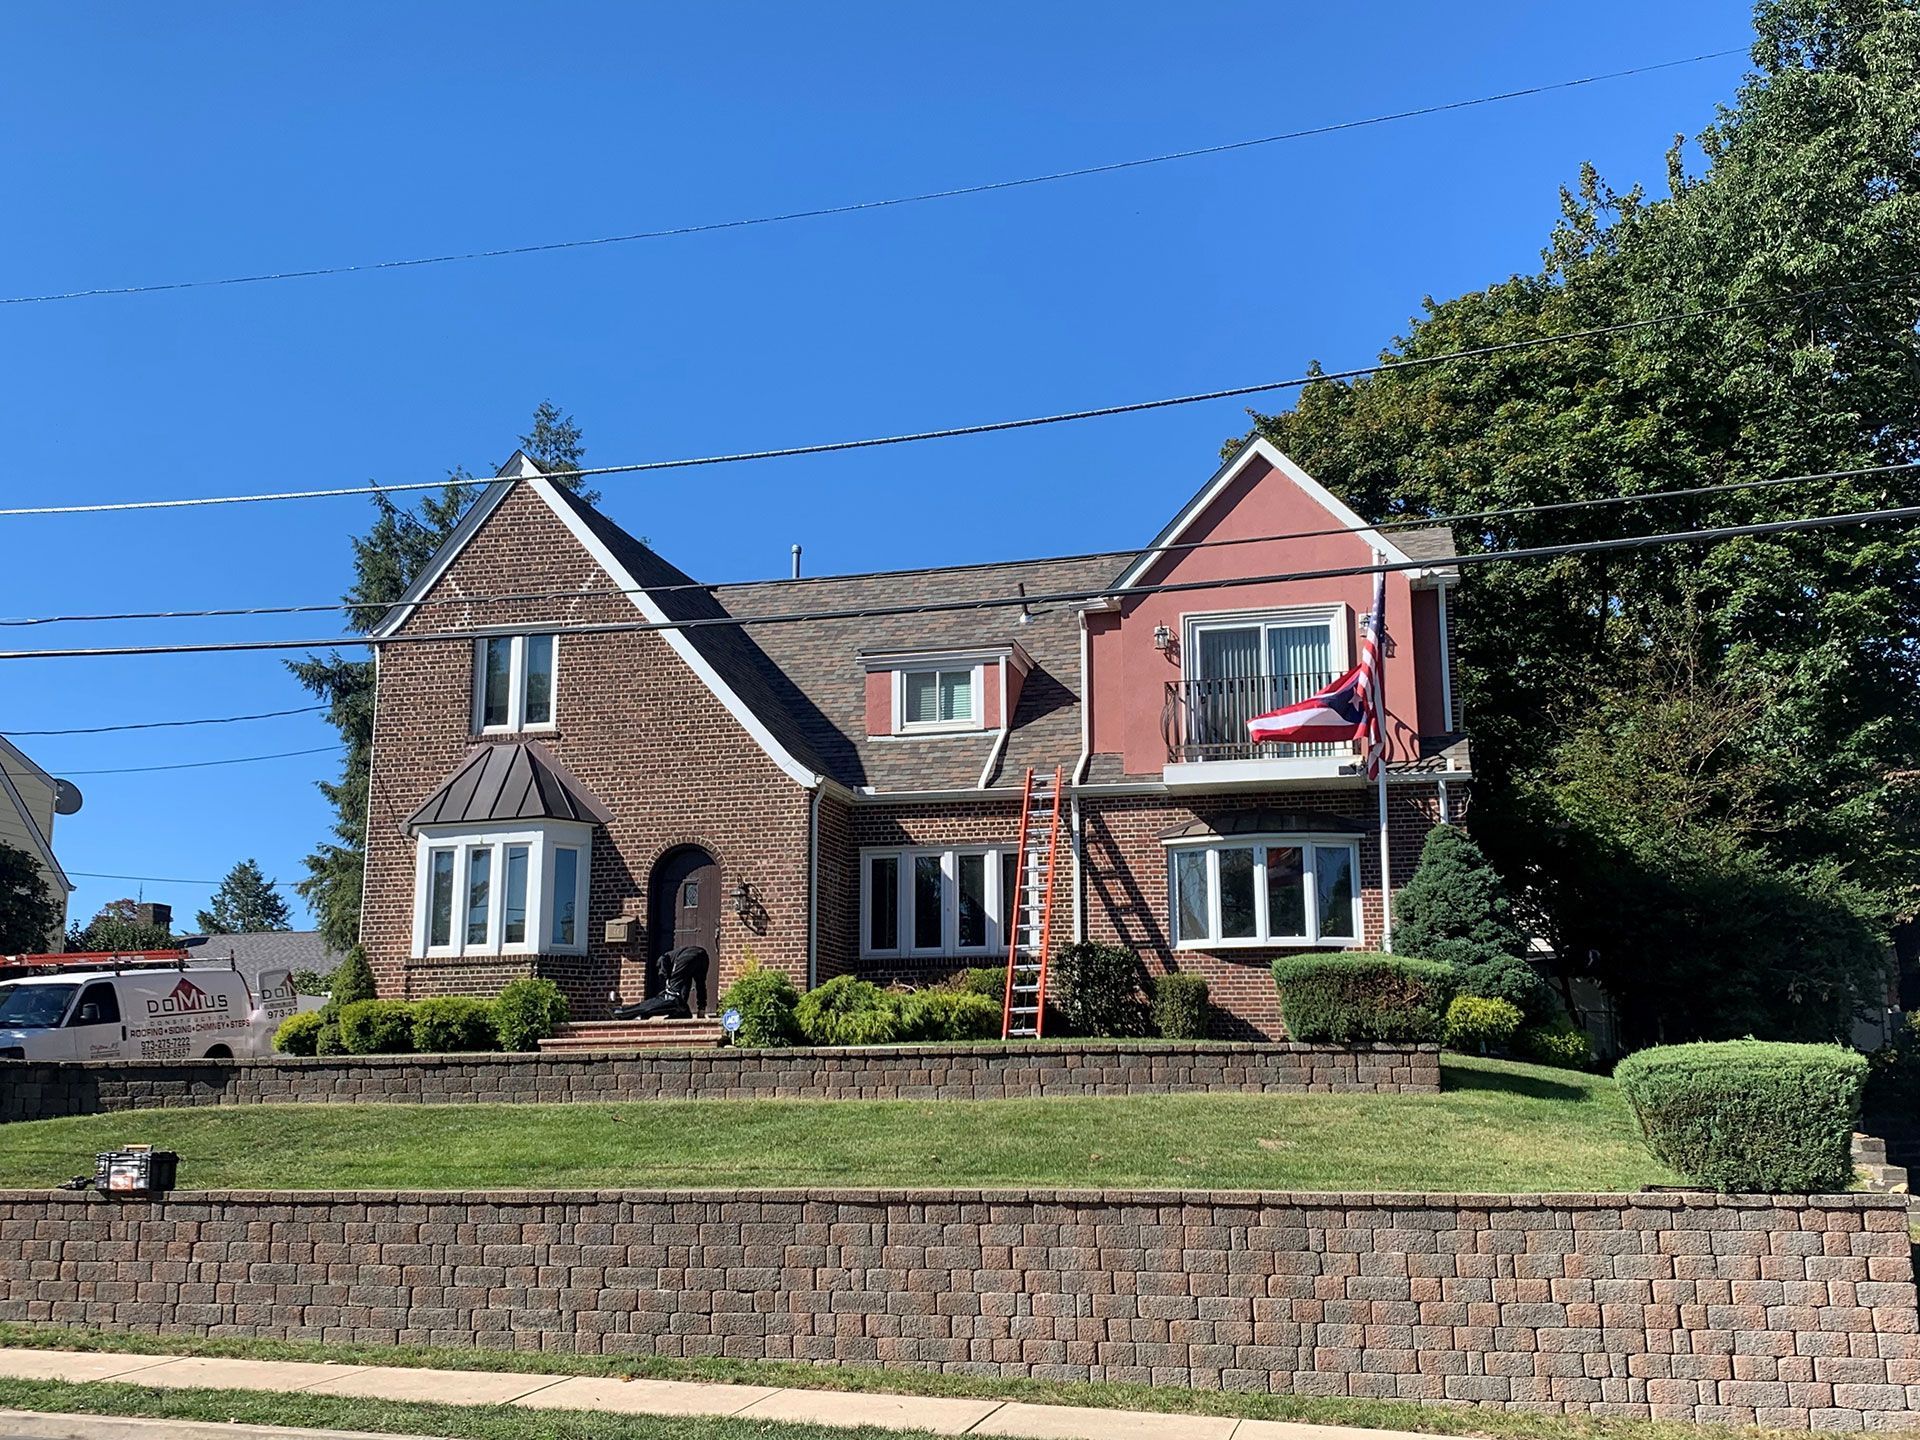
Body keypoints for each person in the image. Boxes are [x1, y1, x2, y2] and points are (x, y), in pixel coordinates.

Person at [610, 945, 709, 1020]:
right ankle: (689, 1012)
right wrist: (701, 1008)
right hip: (703, 955)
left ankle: (623, 1012)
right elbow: (698, 988)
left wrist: (666, 980)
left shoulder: (665, 960)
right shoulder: (683, 972)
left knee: (671, 996)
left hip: (686, 957)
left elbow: (663, 963)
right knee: (697, 984)